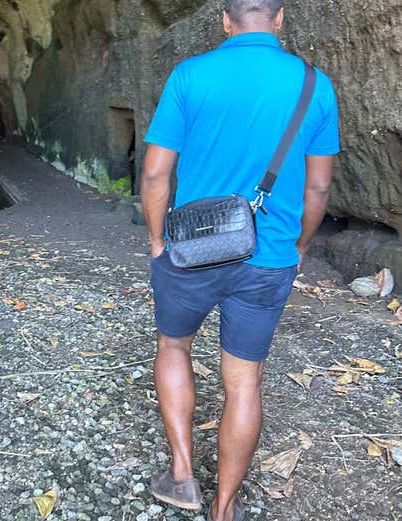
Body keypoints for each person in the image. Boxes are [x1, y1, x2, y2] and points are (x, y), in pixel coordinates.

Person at [140, 1, 340, 520]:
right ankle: (224, 507)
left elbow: (157, 174)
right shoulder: (315, 85)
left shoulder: (190, 76)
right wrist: (298, 247)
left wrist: (159, 241)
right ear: (280, 18)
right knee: (245, 380)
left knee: (174, 345)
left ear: (226, 21)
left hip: (192, 249)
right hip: (269, 257)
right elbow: (319, 188)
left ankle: (182, 473)